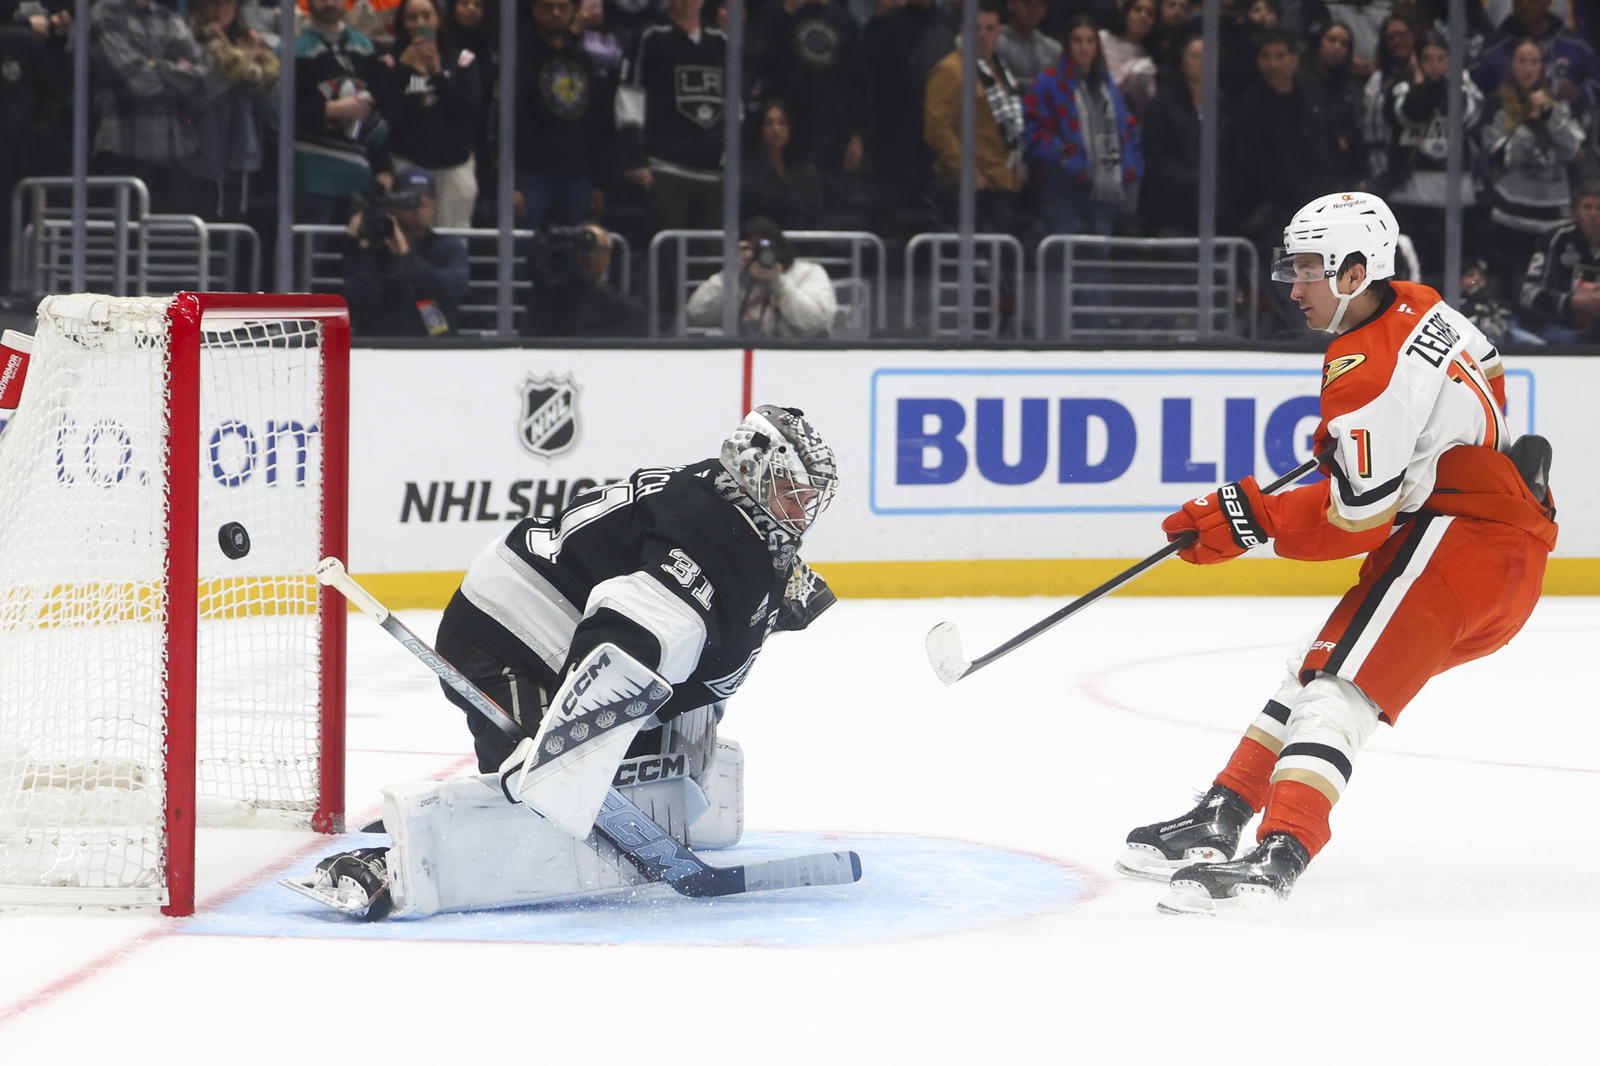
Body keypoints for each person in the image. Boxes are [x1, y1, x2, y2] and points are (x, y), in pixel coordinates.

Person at [1120, 190, 1556, 913]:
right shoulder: (1421, 305)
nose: (1294, 285)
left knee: (1336, 691)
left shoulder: (1366, 369)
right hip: (1472, 539)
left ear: (1357, 271)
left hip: (1466, 544)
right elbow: (1476, 396)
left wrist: (1247, 516)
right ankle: (1223, 815)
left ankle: (1280, 851)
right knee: (1314, 666)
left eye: (1309, 268)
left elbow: (1354, 522)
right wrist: (1377, 457)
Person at [285, 406, 839, 919]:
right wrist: (575, 741)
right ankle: (391, 862)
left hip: (554, 626)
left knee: (608, 772)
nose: (804, 510)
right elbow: (628, 630)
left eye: (811, 497)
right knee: (534, 787)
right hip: (506, 631)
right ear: (752, 472)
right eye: (793, 493)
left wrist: (766, 608)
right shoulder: (711, 533)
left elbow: (703, 625)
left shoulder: (731, 514)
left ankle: (538, 777)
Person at [1372, 30, 1485, 282]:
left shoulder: (1464, 88)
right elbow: (1410, 113)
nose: (1434, 65)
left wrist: (1449, 84)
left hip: (1454, 199)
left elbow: (1469, 115)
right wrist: (1422, 85)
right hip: (1411, 198)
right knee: (1414, 271)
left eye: (1440, 58)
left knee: (1452, 270)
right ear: (1416, 60)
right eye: (1427, 59)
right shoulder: (1400, 88)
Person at [1479, 38, 1586, 290]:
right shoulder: (1496, 104)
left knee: (1549, 289)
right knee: (1510, 290)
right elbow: (1500, 156)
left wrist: (1548, 117)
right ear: (1511, 66)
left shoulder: (1559, 104)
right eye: (1522, 61)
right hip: (1510, 217)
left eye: (1534, 62)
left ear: (1542, 67)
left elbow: (1573, 149)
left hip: (1553, 218)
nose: (1527, 68)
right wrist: (1530, 124)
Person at [87, 0, 209, 215]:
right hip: (122, 151)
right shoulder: (105, 14)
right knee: (113, 235)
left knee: (167, 239)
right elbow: (135, 82)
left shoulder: (170, 18)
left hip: (175, 154)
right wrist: (175, 71)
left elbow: (202, 79)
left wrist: (154, 66)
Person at [615, 0, 727, 235]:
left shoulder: (721, 40)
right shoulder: (649, 36)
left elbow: (734, 100)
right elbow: (629, 97)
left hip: (714, 170)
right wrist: (632, 156)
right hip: (666, 167)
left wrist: (732, 150)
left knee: (707, 260)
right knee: (667, 256)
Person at [1027, 15, 1143, 239]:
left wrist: (1130, 164)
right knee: (1065, 255)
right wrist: (1065, 159)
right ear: (1067, 44)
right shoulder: (1048, 82)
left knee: (1099, 256)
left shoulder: (1106, 83)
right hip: (1064, 188)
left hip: (1105, 189)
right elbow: (1035, 132)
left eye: (1090, 41)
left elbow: (1127, 126)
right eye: (1077, 40)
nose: (1084, 47)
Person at [374, 0, 485, 229]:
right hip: (405, 162)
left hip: (453, 166)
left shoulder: (463, 61)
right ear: (402, 23)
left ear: (439, 19)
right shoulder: (388, 62)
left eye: (426, 16)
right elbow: (383, 115)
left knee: (452, 241)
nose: (420, 23)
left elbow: (470, 112)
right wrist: (404, 69)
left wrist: (437, 75)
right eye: (412, 17)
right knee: (405, 237)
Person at [924, 0, 1026, 232]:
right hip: (972, 186)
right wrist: (967, 172)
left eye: (990, 29)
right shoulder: (950, 69)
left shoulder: (1000, 70)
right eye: (976, 28)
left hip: (1004, 182)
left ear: (1000, 33)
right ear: (963, 29)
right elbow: (937, 128)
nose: (983, 35)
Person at [515, 0, 614, 229]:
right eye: (548, 7)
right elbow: (499, 121)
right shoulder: (518, 56)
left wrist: (598, 182)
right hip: (531, 174)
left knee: (574, 255)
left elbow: (599, 124)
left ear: (574, 11)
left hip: (577, 177)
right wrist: (508, 183)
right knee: (523, 254)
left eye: (562, 7)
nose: (556, 13)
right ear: (534, 10)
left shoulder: (584, 60)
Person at [342, 166, 471, 336]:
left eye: (423, 204)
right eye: (408, 202)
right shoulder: (374, 246)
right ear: (393, 203)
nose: (416, 210)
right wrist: (356, 246)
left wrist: (406, 258)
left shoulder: (447, 246)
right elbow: (356, 300)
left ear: (434, 206)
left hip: (435, 347)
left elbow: (453, 288)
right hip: (376, 347)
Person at [295, 0, 392, 225]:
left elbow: (376, 111)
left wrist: (384, 167)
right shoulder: (293, 48)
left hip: (358, 178)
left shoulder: (365, 47)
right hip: (311, 177)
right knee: (311, 255)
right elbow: (278, 113)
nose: (329, 3)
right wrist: (329, 110)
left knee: (352, 253)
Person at [185, 0, 279, 225]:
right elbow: (194, 100)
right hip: (198, 151)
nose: (217, 11)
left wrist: (247, 62)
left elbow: (273, 108)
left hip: (243, 150)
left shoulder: (253, 43)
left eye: (226, 4)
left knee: (236, 225)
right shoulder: (188, 38)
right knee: (199, 223)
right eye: (212, 4)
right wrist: (237, 67)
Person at [685, 216, 837, 338]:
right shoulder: (737, 277)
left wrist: (779, 283)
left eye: (768, 247)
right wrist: (733, 273)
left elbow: (815, 321)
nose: (763, 254)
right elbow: (697, 313)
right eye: (754, 248)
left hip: (797, 356)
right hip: (745, 352)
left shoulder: (809, 273)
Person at [522, 221, 649, 336]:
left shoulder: (624, 312)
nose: (587, 257)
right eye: (581, 251)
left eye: (592, 250)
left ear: (607, 257)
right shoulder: (541, 308)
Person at [1519, 178, 1600, 345]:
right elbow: (1529, 294)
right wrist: (1571, 301)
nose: (1593, 214)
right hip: (1559, 327)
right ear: (1575, 212)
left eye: (1599, 208)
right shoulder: (1555, 240)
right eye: (1587, 207)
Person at [742, 99, 825, 230]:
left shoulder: (806, 171)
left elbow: (814, 216)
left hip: (800, 242)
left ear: (790, 129)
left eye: (782, 123)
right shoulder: (747, 170)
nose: (776, 129)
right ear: (760, 129)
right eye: (769, 123)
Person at [1099, 0, 1157, 115]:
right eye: (1138, 10)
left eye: (1150, 13)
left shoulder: (1152, 57)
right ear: (1126, 12)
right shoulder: (1102, 39)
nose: (1143, 16)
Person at [996, 0, 1060, 90]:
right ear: (1010, 3)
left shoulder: (1054, 49)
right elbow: (1001, 84)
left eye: (1038, 4)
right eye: (1026, 3)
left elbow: (1060, 86)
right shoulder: (995, 43)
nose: (1032, 9)